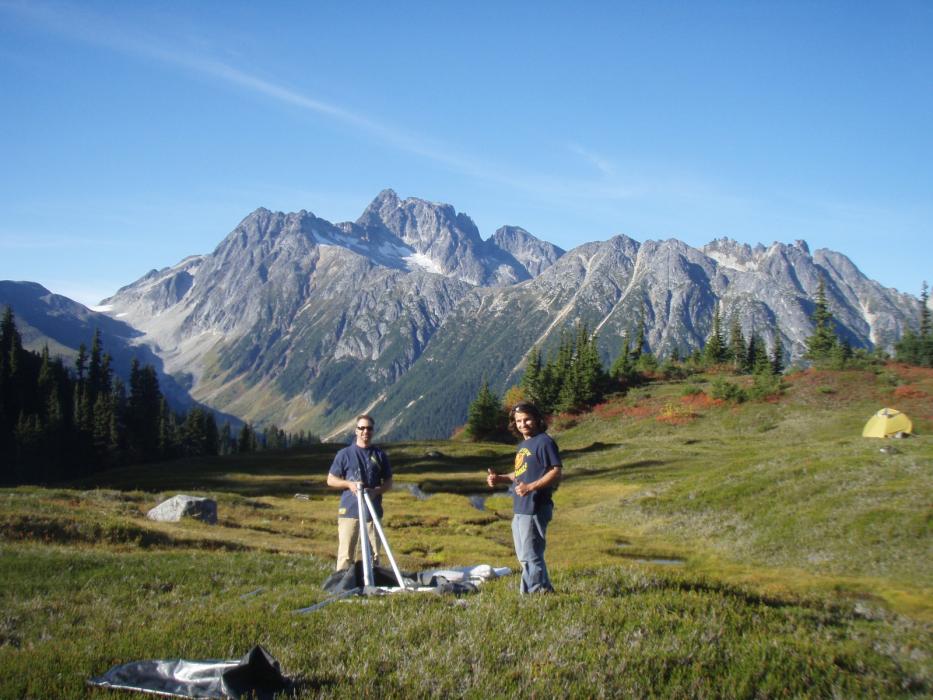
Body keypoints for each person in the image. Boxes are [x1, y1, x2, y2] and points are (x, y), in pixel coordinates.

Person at [486, 401, 562, 593]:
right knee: (524, 555)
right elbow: (519, 474)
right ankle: (544, 590)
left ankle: (532, 594)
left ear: (537, 419)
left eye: (527, 419)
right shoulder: (524, 445)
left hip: (536, 506)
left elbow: (556, 471)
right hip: (521, 507)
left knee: (530, 555)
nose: (523, 424)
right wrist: (500, 478)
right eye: (519, 421)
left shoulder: (545, 442)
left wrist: (531, 487)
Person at [326, 414, 393, 571]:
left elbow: (389, 482)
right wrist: (349, 484)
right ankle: (341, 585)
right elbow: (330, 480)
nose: (365, 431)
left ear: (373, 431)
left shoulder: (380, 455)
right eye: (361, 428)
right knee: (346, 554)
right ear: (356, 431)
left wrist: (376, 491)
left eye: (369, 428)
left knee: (374, 555)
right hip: (349, 511)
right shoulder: (344, 454)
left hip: (372, 513)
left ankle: (373, 586)